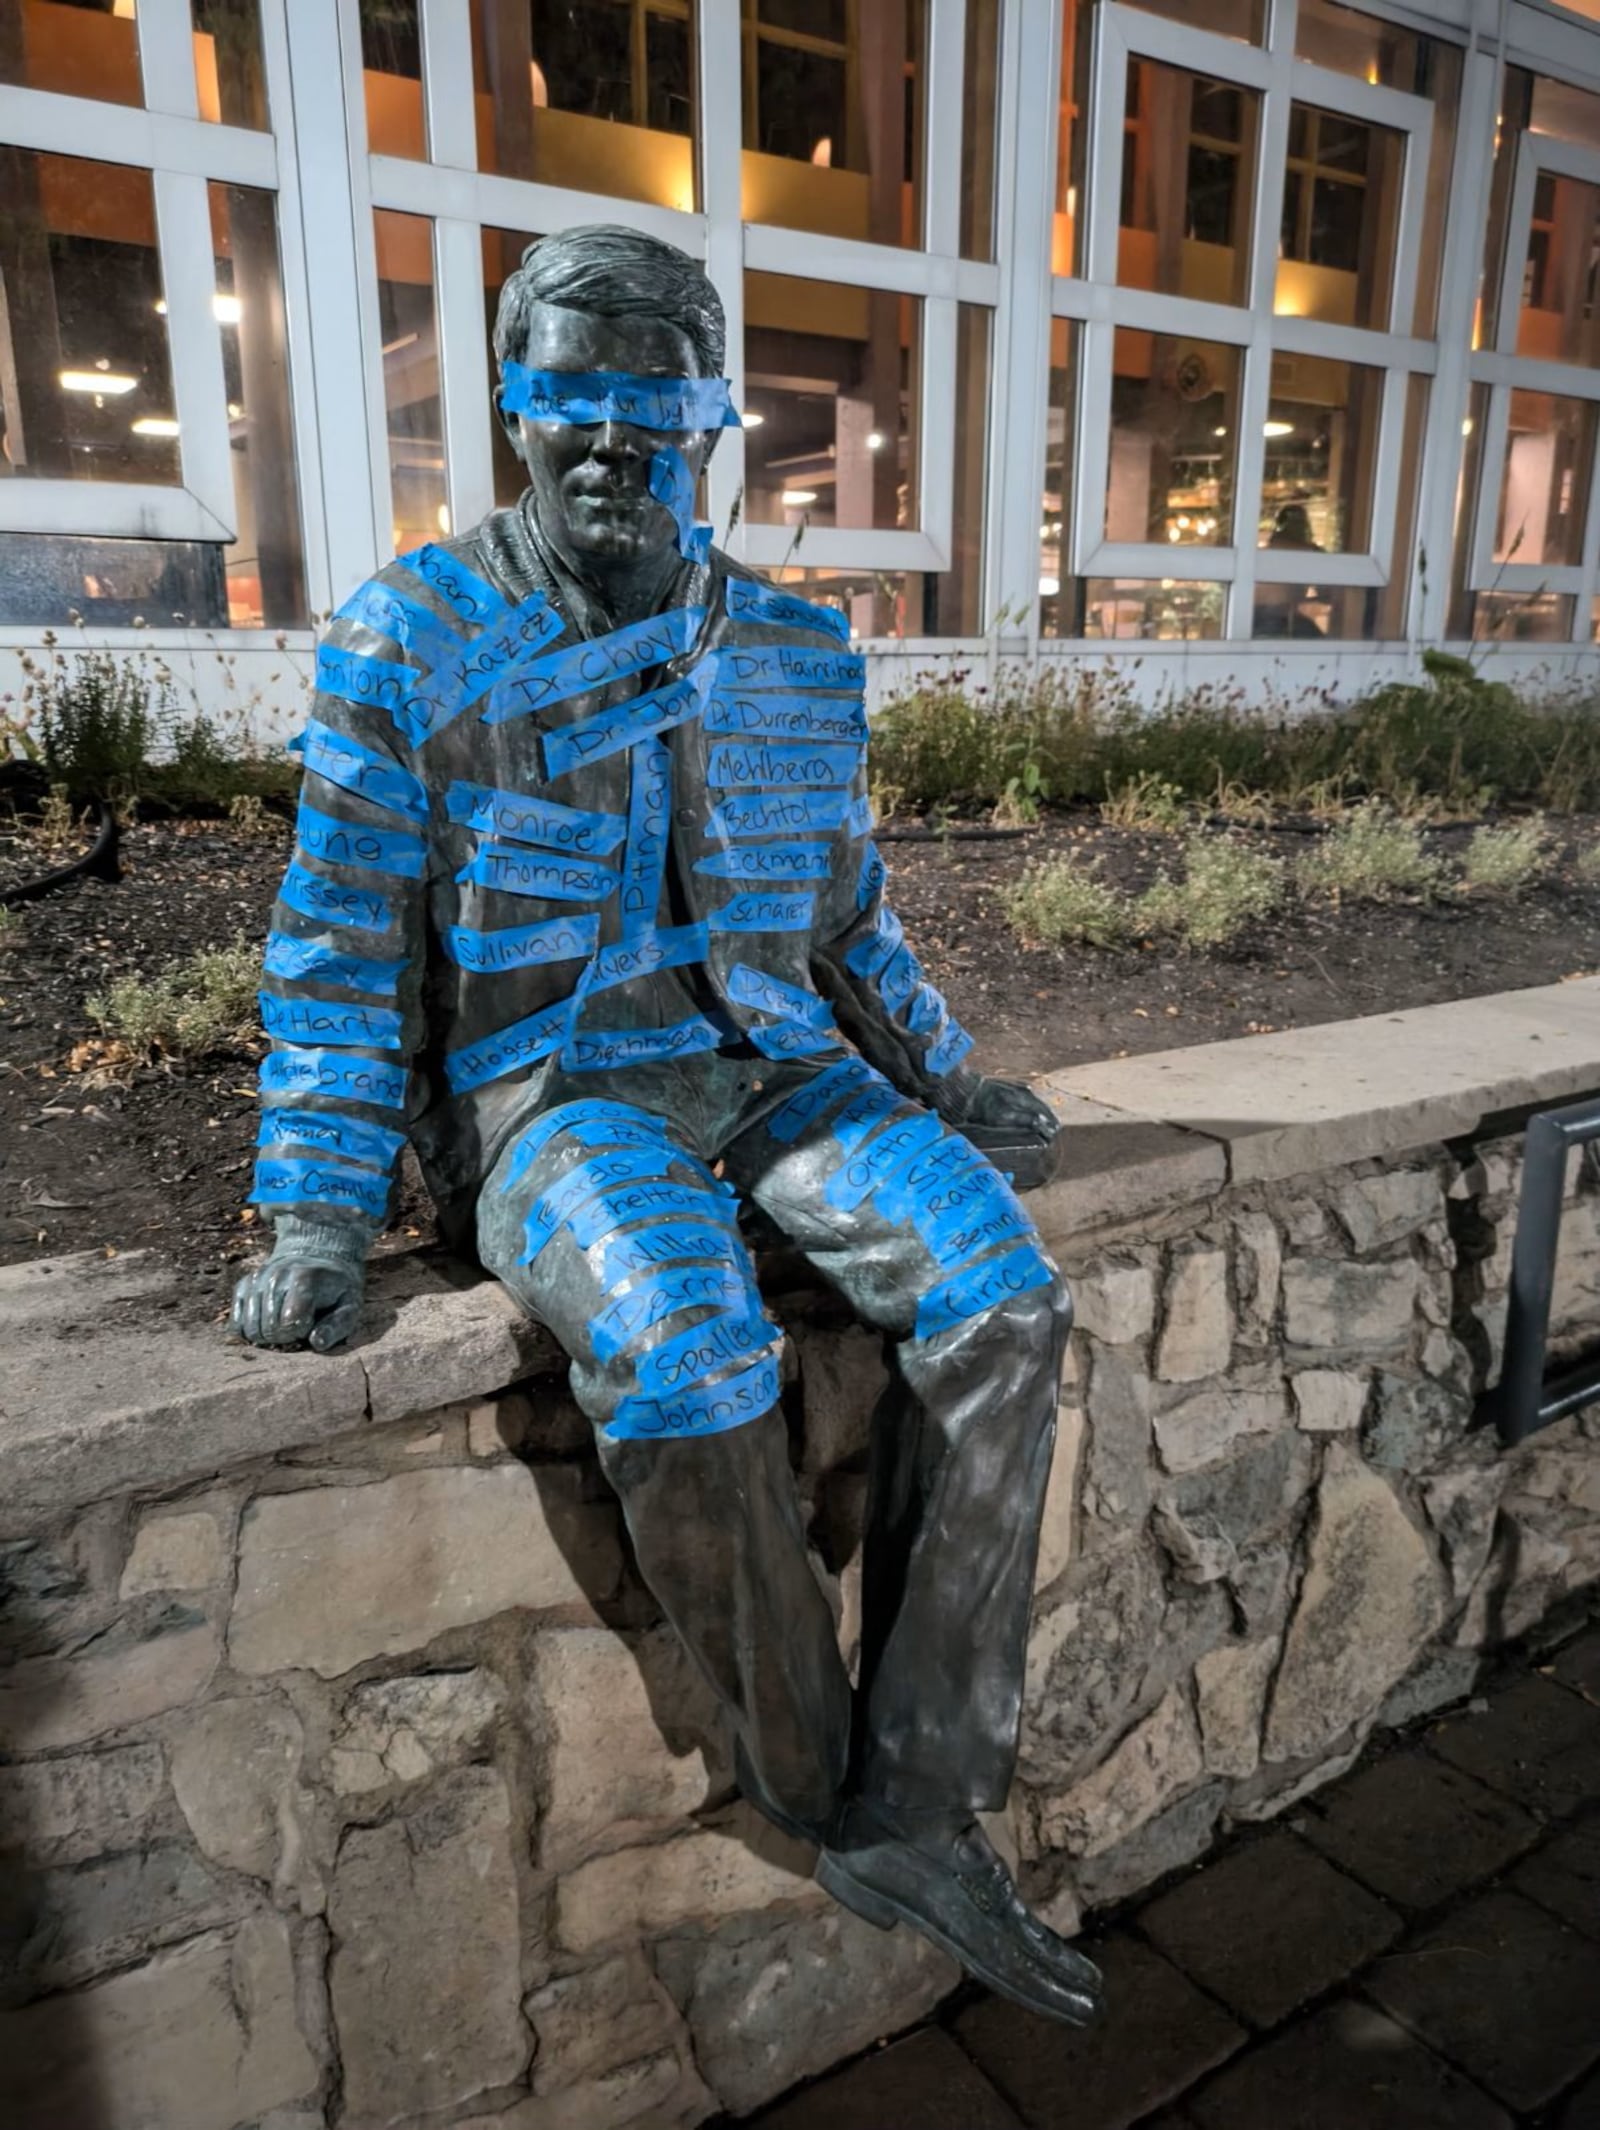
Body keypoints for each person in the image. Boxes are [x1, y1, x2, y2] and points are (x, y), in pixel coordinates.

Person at [232, 224, 1102, 2027]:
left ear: (711, 421)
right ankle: (816, 1782)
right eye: (574, 412)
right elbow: (336, 954)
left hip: (782, 1063)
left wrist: (944, 1073)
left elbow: (846, 907)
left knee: (1005, 1297)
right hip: (563, 1094)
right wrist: (314, 1214)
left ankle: (921, 1800)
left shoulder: (793, 645)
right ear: (511, 411)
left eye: (653, 416)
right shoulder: (411, 640)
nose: (614, 453)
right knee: (696, 1362)